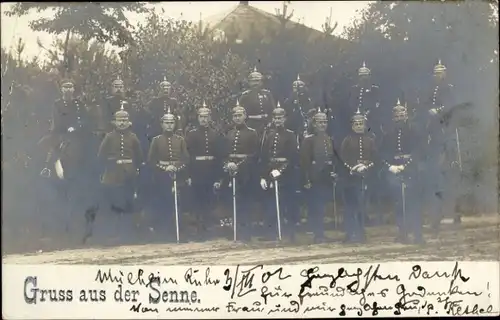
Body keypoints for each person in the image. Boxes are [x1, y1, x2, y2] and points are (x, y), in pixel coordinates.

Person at [48, 78, 99, 233]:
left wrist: (76, 127)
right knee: (52, 147)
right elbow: (57, 121)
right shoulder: (57, 104)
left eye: (70, 87)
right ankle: (48, 166)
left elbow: (85, 119)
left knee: (90, 146)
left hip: (78, 135)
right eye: (65, 87)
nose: (68, 89)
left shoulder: (79, 104)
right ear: (61, 89)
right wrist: (66, 129)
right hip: (62, 134)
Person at [417, 59, 461, 234]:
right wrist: (429, 111)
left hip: (446, 135)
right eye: (435, 73)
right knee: (435, 177)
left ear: (445, 74)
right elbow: (425, 105)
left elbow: (451, 107)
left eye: (440, 72)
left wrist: (439, 111)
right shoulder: (430, 90)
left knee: (449, 176)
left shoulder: (449, 89)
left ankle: (454, 213)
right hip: (433, 136)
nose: (438, 75)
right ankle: (436, 216)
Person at [97, 103, 144, 240]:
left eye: (124, 120)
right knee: (114, 204)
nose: (122, 123)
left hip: (129, 175)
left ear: (129, 122)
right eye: (119, 120)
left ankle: (128, 233)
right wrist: (110, 165)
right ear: (114, 122)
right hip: (113, 175)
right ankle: (113, 234)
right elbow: (101, 156)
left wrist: (134, 170)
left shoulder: (133, 137)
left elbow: (139, 157)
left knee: (128, 203)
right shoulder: (109, 137)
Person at [381, 99, 425, 244]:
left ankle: (418, 234)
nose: (399, 118)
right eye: (397, 116)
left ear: (406, 116)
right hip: (395, 169)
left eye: (402, 115)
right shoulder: (388, 134)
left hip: (412, 169)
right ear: (393, 117)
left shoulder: (415, 130)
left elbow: (418, 151)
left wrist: (407, 165)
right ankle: (402, 232)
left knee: (414, 202)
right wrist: (391, 166)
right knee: (399, 202)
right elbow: (384, 152)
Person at [216, 100, 259, 242]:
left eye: (240, 115)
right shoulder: (228, 133)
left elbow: (254, 154)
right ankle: (233, 230)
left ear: (245, 116)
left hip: (246, 172)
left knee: (245, 201)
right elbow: (223, 153)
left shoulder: (252, 133)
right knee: (230, 200)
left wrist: (239, 165)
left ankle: (246, 231)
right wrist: (228, 164)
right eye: (235, 115)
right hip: (230, 171)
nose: (237, 118)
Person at [147, 107, 190, 242]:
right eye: (166, 123)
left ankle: (178, 232)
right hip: (161, 177)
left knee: (178, 204)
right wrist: (164, 168)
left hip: (178, 175)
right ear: (162, 124)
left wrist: (176, 168)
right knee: (163, 204)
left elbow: (186, 159)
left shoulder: (181, 140)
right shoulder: (156, 140)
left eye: (171, 123)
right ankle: (163, 233)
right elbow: (151, 160)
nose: (169, 125)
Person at [259, 101, 299, 242]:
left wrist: (281, 171)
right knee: (271, 204)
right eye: (275, 118)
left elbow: (292, 157)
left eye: (280, 118)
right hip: (271, 172)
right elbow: (264, 157)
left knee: (287, 203)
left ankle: (290, 233)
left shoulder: (291, 135)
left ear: (285, 119)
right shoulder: (268, 135)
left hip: (287, 174)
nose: (277, 120)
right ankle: (271, 232)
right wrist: (263, 176)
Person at [185, 101, 224, 241]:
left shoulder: (216, 134)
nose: (204, 119)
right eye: (201, 117)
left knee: (209, 201)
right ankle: (199, 229)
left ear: (210, 118)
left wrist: (219, 177)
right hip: (197, 171)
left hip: (211, 170)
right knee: (198, 200)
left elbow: (220, 156)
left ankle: (208, 228)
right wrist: (188, 175)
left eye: (206, 117)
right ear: (197, 118)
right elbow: (187, 156)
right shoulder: (191, 134)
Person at [300, 107, 338, 243]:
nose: (322, 125)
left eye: (324, 122)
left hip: (325, 176)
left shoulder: (329, 138)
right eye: (319, 122)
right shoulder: (308, 140)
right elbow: (305, 162)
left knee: (322, 205)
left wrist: (333, 172)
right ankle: (317, 233)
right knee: (315, 206)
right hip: (314, 177)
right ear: (314, 124)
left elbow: (332, 158)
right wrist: (307, 179)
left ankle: (321, 232)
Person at [340, 108, 378, 243]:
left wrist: (366, 167)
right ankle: (350, 233)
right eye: (356, 124)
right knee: (350, 207)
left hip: (366, 177)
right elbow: (342, 159)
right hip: (350, 178)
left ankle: (361, 233)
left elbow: (375, 158)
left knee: (362, 206)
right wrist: (354, 168)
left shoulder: (370, 140)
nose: (359, 126)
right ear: (352, 126)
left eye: (361, 123)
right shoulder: (347, 140)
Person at [239, 67, 276, 137]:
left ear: (261, 82)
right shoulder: (245, 95)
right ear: (249, 82)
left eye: (257, 81)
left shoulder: (267, 94)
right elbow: (241, 112)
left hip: (266, 125)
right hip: (250, 125)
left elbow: (273, 110)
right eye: (253, 81)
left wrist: (270, 122)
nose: (255, 83)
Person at [283, 74, 315, 144]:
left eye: (300, 86)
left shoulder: (307, 98)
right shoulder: (290, 98)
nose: (297, 88)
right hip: (293, 122)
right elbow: (287, 109)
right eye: (295, 86)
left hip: (304, 122)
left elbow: (310, 109)